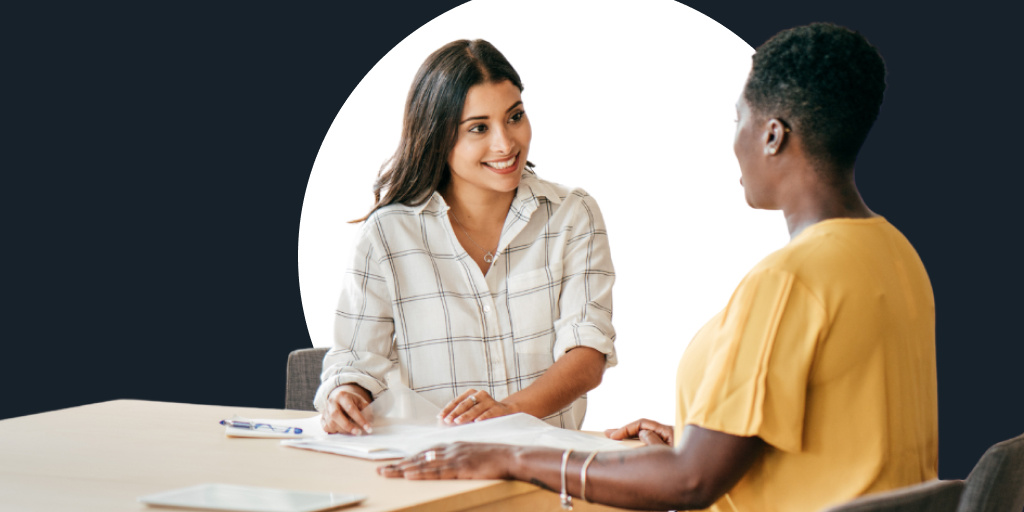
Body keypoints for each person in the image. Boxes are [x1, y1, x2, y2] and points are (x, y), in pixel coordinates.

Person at [378, 23, 939, 512]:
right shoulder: (896, 255)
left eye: (739, 118)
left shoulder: (789, 281)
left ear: (773, 135)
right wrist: (691, 441)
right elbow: (842, 439)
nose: (735, 139)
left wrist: (513, 455)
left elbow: (692, 483)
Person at [315, 39, 616, 436]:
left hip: (546, 469)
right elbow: (354, 361)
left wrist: (505, 412)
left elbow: (587, 353)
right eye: (479, 127)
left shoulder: (571, 215)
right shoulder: (387, 236)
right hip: (433, 469)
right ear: (438, 136)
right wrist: (346, 395)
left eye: (515, 117)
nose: (505, 144)